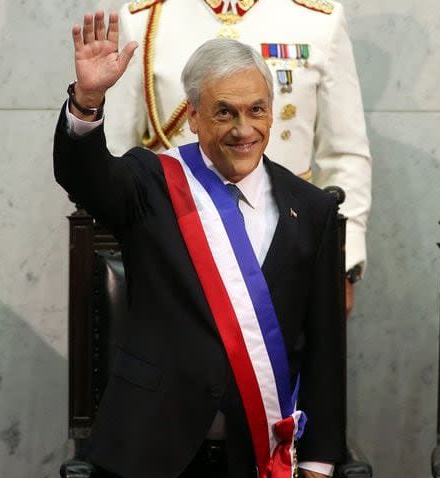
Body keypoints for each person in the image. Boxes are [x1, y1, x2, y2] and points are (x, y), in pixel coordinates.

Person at [55, 11, 343, 478]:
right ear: (192, 116)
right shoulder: (151, 181)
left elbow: (324, 341)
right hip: (151, 457)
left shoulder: (312, 209)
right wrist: (88, 102)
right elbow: (85, 175)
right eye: (225, 112)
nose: (243, 130)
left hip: (257, 461)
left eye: (257, 111)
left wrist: (320, 455)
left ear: (273, 113)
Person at [105, 0, 372, 314]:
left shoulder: (317, 21)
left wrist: (342, 263)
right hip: (176, 249)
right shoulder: (145, 21)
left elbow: (344, 155)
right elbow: (116, 153)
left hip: (286, 243)